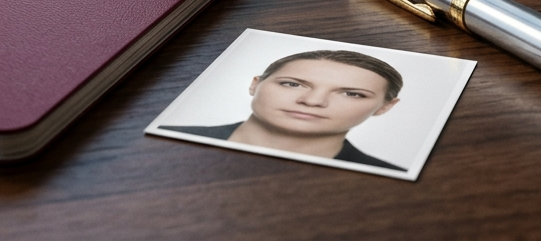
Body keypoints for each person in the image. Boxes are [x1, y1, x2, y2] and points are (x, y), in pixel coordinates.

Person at [163, 49, 405, 170]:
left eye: (352, 93)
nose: (313, 101)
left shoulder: (389, 176)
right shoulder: (166, 139)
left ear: (385, 107)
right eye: (292, 84)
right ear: (255, 85)